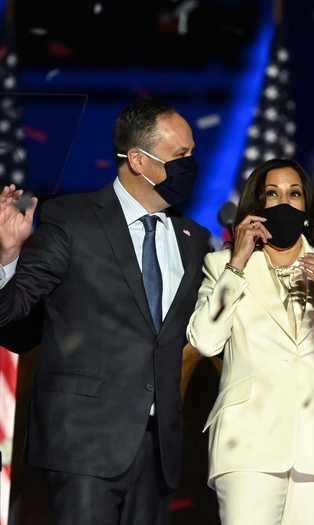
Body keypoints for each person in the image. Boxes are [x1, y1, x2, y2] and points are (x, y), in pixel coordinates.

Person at [0, 98, 210, 525]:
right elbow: (11, 313)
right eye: (180, 156)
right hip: (84, 444)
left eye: (192, 153)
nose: (191, 164)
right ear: (138, 160)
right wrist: (7, 255)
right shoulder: (71, 219)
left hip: (158, 450)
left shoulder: (193, 238)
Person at [186, 158, 314, 525]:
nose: (284, 202)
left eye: (294, 194)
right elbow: (206, 340)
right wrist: (237, 266)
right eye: (273, 194)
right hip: (247, 445)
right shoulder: (221, 264)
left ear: (306, 206)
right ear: (257, 207)